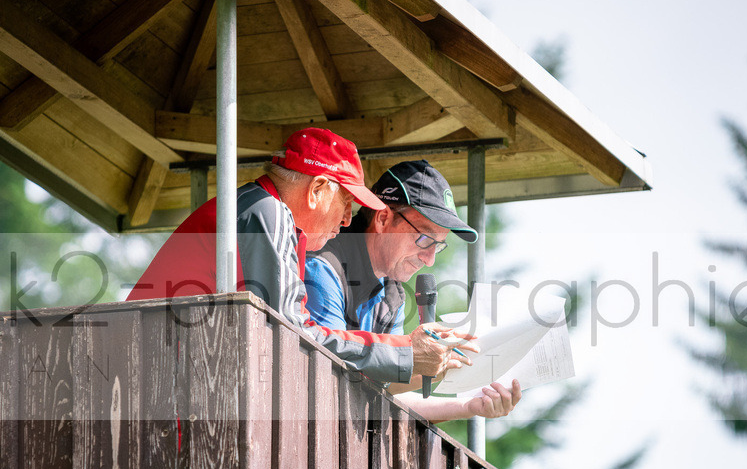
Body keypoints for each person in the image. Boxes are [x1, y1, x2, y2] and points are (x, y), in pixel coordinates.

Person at [127, 129, 475, 384]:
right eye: (346, 202)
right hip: (153, 376)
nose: (348, 220)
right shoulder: (268, 211)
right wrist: (403, 352)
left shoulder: (263, 210)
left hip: (155, 370)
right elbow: (295, 337)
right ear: (317, 190)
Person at [304, 160, 521, 421]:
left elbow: (383, 389)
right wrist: (409, 355)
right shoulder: (323, 267)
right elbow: (332, 373)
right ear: (383, 218)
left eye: (438, 245)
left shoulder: (392, 292)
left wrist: (468, 406)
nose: (429, 259)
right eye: (424, 239)